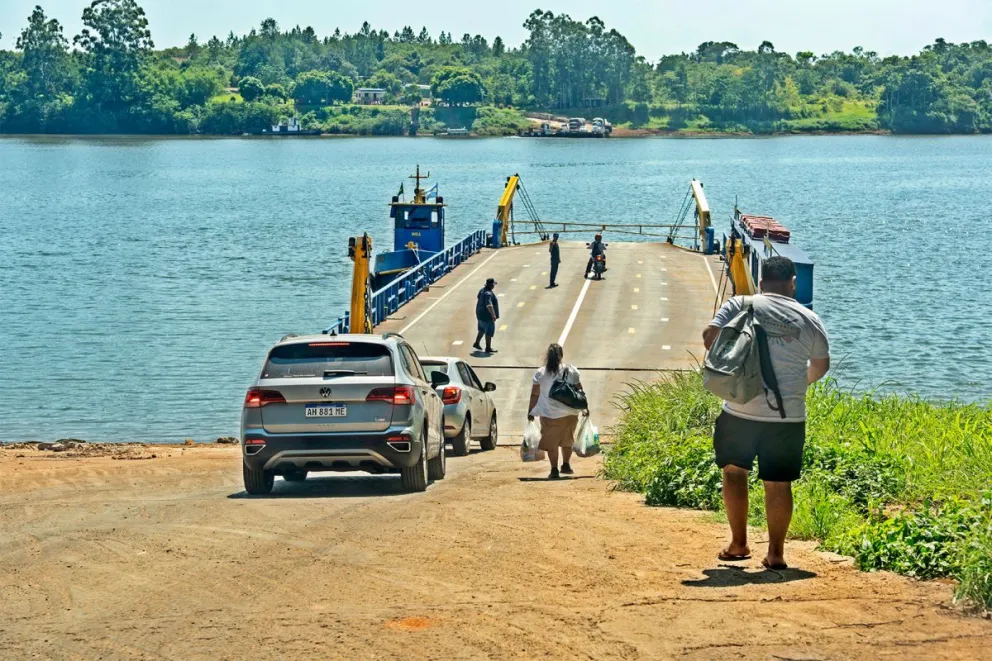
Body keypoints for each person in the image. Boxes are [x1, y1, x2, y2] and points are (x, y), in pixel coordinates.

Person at [703, 256, 830, 570]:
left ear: (760, 282)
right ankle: (775, 553)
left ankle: (738, 543)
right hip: (788, 416)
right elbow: (821, 365)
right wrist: (799, 384)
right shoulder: (809, 318)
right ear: (793, 284)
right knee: (778, 483)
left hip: (739, 408)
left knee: (733, 473)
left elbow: (709, 338)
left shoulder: (740, 304)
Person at [527, 343, 585, 479]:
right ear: (562, 356)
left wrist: (530, 411)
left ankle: (554, 469)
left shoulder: (540, 373)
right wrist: (584, 408)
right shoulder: (571, 371)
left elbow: (535, 394)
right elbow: (580, 391)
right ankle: (566, 465)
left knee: (552, 443)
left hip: (549, 414)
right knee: (567, 440)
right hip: (570, 414)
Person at [473, 277, 500, 354]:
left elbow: (478, 297)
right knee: (489, 331)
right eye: (493, 284)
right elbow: (489, 305)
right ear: (491, 285)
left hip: (480, 314)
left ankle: (476, 343)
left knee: (481, 329)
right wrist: (493, 315)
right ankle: (488, 347)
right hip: (486, 315)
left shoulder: (482, 290)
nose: (494, 286)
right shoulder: (488, 294)